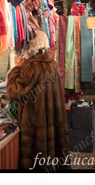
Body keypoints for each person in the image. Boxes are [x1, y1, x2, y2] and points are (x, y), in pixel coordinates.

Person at [7, 31, 70, 170]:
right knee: (52, 157)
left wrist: (16, 68)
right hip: (52, 121)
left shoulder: (31, 66)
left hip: (35, 126)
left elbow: (14, 91)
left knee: (37, 162)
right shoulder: (52, 63)